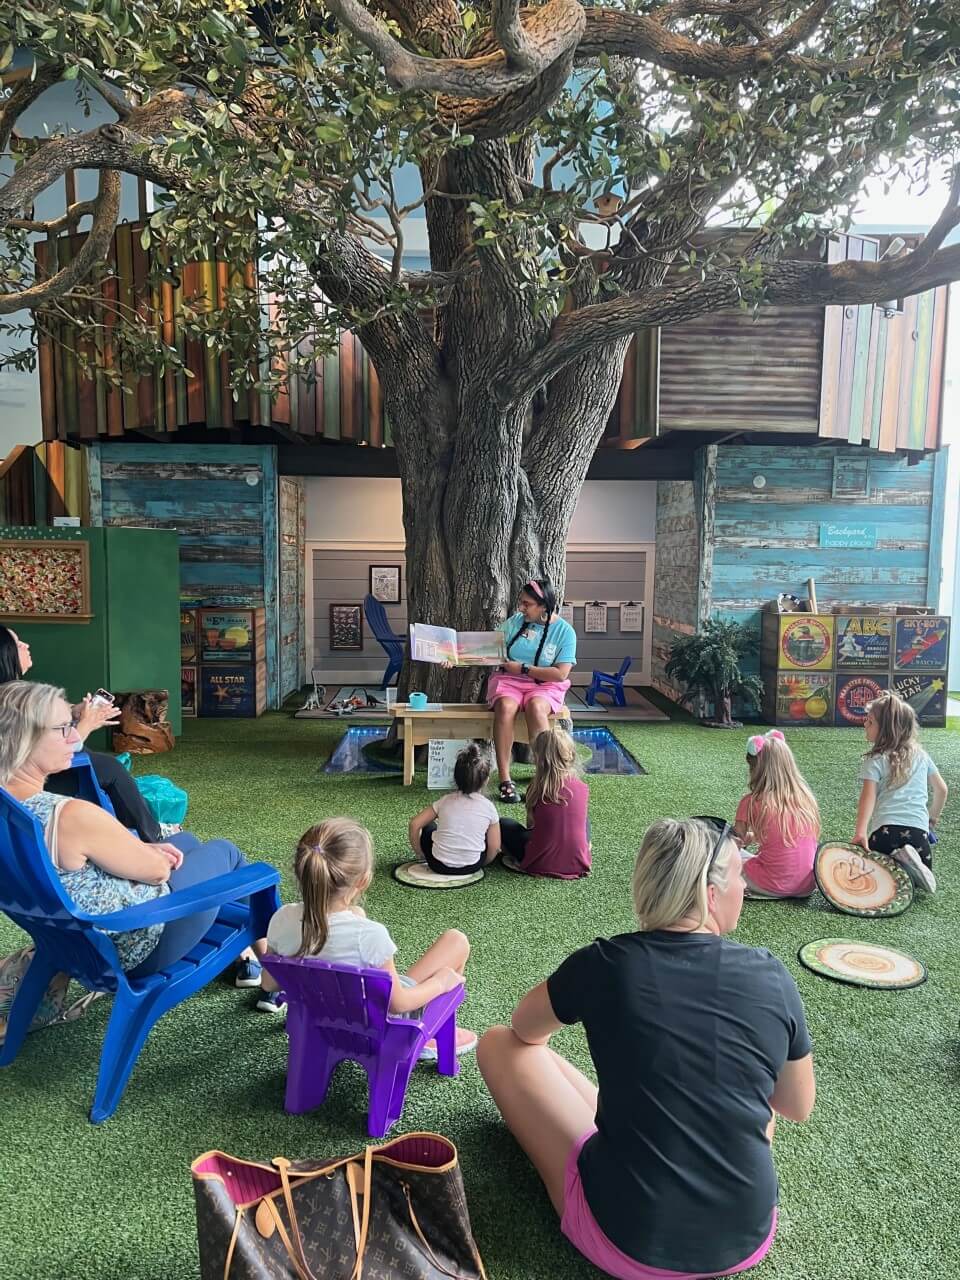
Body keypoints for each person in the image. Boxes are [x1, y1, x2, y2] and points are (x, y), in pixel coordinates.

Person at [478, 816, 815, 1280]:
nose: (745, 884)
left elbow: (523, 1028)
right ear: (709, 895)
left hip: (627, 1241)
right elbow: (796, 1105)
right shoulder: (771, 974)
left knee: (498, 1043)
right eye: (740, 874)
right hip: (747, 1238)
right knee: (757, 1102)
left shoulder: (605, 965)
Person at [0, 681, 265, 980]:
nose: (75, 736)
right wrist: (147, 854)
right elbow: (158, 872)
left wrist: (142, 848)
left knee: (186, 841)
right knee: (226, 852)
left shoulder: (12, 808)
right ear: (24, 737)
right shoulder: (70, 816)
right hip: (133, 946)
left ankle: (249, 958)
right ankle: (276, 974)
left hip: (66, 945)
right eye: (63, 728)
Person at [261, 818, 477, 1055]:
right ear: (363, 881)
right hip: (378, 1026)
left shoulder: (281, 919)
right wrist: (440, 982)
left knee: (358, 914)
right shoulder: (370, 936)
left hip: (318, 1019)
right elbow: (399, 1003)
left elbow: (269, 983)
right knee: (456, 941)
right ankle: (427, 1038)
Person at [0, 625, 162, 842]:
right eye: (18, 644)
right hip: (26, 778)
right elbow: (42, 750)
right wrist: (85, 724)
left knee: (100, 762)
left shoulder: (13, 692)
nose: (26, 645)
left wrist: (73, 713)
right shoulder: (11, 699)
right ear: (5, 655)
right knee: (110, 768)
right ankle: (151, 838)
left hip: (22, 774)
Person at [487, 578, 577, 803]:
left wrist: (525, 668)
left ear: (544, 605)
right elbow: (487, 649)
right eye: (521, 603)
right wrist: (454, 657)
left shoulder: (565, 632)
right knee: (505, 707)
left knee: (537, 708)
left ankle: (543, 778)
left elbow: (560, 673)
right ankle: (505, 780)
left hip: (546, 685)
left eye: (527, 604)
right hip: (510, 680)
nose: (521, 608)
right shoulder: (514, 623)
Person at [852, 690, 948, 894]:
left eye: (870, 722)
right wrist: (932, 820)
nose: (865, 725)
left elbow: (868, 797)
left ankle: (895, 863)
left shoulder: (875, 760)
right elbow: (942, 790)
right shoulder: (921, 756)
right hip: (919, 835)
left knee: (873, 873)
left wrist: (861, 832)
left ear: (886, 730)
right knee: (912, 877)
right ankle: (910, 864)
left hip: (885, 833)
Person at [733, 729, 820, 899]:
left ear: (756, 769)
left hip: (771, 883)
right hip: (806, 886)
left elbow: (734, 845)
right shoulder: (806, 799)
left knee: (719, 863)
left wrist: (745, 839)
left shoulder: (751, 801)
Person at [499, 729, 591, 878]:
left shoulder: (537, 788)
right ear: (570, 755)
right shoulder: (582, 787)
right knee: (584, 820)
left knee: (504, 824)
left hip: (539, 862)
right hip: (578, 863)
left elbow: (531, 826)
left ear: (538, 758)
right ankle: (582, 849)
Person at [407, 743, 501, 876]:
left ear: (455, 777)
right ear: (486, 780)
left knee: (428, 826)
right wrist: (483, 862)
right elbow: (495, 847)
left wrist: (419, 852)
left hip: (437, 864)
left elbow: (414, 824)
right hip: (472, 866)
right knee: (486, 833)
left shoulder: (445, 801)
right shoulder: (489, 807)